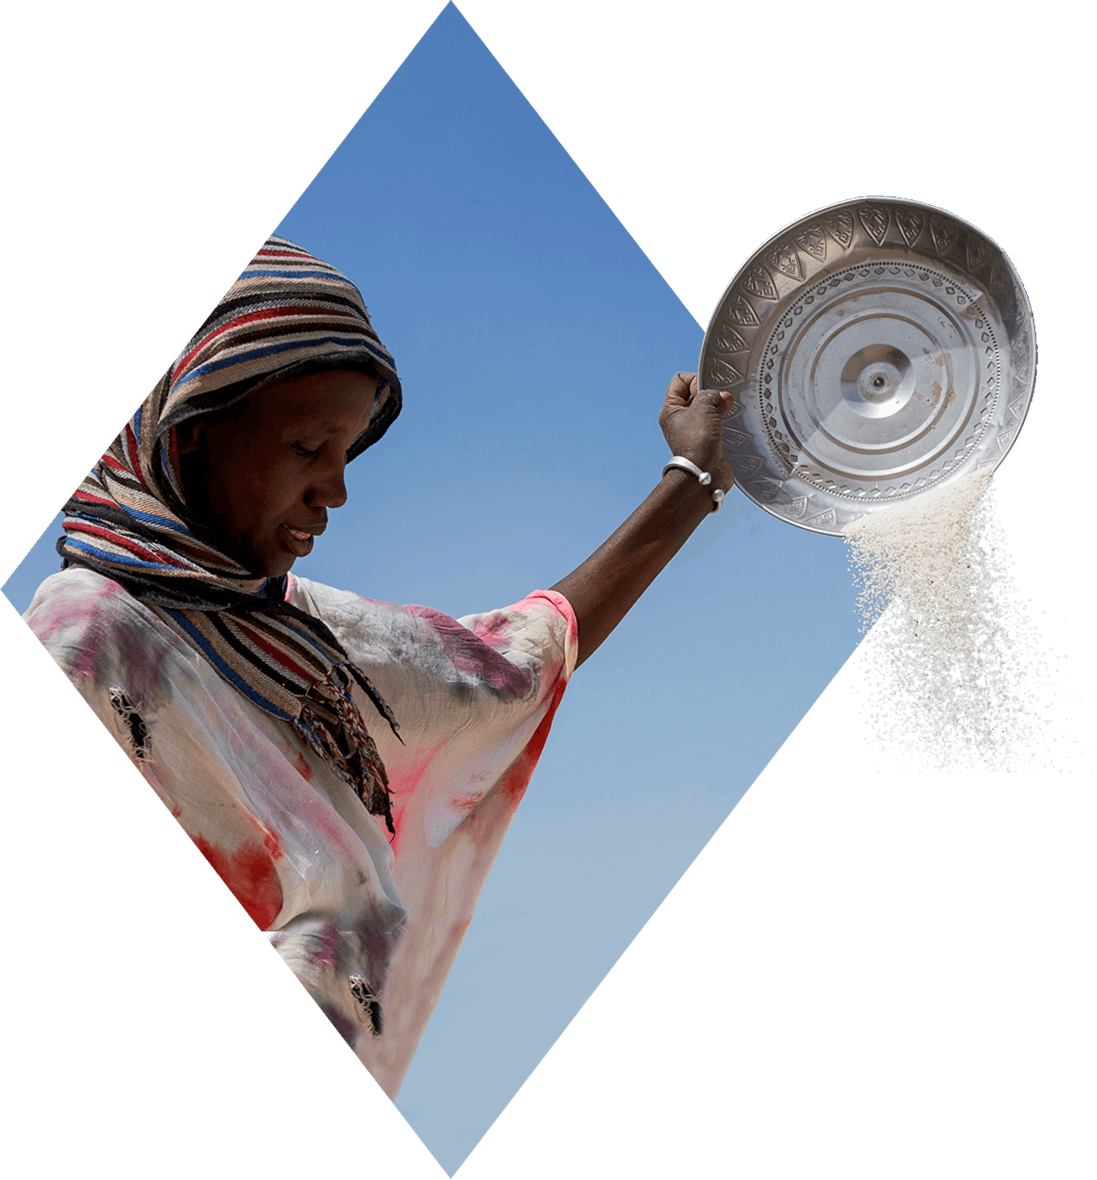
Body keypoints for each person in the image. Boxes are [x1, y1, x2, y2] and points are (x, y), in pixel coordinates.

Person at [23, 236, 734, 1098]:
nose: (337, 489)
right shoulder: (89, 636)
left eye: (349, 451)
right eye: (307, 447)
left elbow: (510, 661)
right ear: (193, 433)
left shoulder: (297, 640)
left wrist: (693, 476)